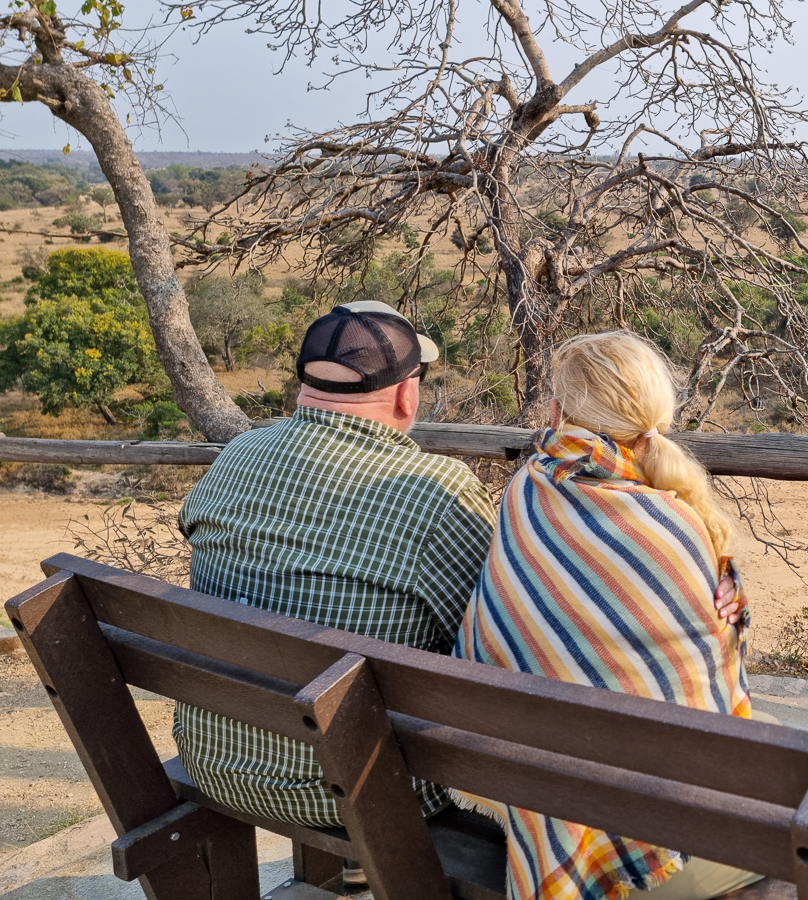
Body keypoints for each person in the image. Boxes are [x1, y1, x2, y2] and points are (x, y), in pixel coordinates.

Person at [173, 301, 496, 882]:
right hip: (353, 786)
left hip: (216, 757)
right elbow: (485, 633)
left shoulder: (238, 454)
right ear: (406, 395)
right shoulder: (436, 490)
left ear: (306, 386)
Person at [454, 331, 759, 900]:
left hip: (554, 815)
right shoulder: (683, 527)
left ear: (558, 412)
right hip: (665, 857)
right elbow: (712, 684)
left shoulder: (527, 491)